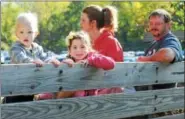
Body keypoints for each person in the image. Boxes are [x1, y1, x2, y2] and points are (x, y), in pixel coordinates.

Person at [3, 12, 61, 103]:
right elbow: (20, 59)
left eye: (29, 32)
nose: (25, 35)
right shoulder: (16, 48)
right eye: (22, 32)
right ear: (17, 34)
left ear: (36, 33)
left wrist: (51, 60)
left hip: (30, 89)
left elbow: (44, 57)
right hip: (15, 90)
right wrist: (32, 61)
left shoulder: (37, 48)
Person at [55, 31, 123, 98]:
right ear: (69, 51)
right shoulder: (68, 62)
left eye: (82, 47)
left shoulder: (92, 58)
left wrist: (91, 60)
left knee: (116, 88)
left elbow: (111, 64)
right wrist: (67, 65)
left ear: (88, 48)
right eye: (75, 47)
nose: (78, 50)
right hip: (73, 102)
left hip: (91, 100)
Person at [80, 5, 125, 93]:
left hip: (105, 94)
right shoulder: (83, 43)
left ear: (93, 23)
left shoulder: (111, 42)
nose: (80, 23)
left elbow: (118, 75)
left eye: (83, 20)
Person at [137, 9, 183, 90]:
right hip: (147, 97)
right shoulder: (152, 45)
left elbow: (166, 55)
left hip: (164, 98)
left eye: (158, 24)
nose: (153, 27)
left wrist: (147, 59)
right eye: (151, 24)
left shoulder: (171, 40)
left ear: (169, 25)